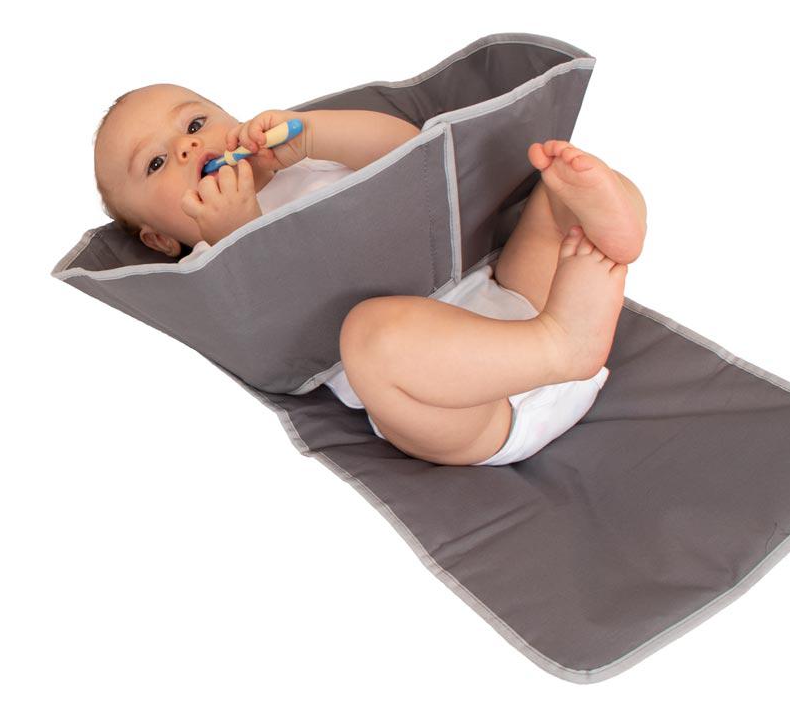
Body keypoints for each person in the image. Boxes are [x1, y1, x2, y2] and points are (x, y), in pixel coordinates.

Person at [93, 84, 647, 467]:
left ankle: (616, 229)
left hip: (507, 298)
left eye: (195, 124)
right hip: (469, 411)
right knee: (370, 336)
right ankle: (560, 347)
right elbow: (276, 331)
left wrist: (312, 136)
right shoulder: (208, 261)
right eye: (156, 163)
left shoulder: (307, 161)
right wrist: (238, 233)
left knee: (557, 190)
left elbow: (411, 155)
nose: (188, 146)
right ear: (159, 240)